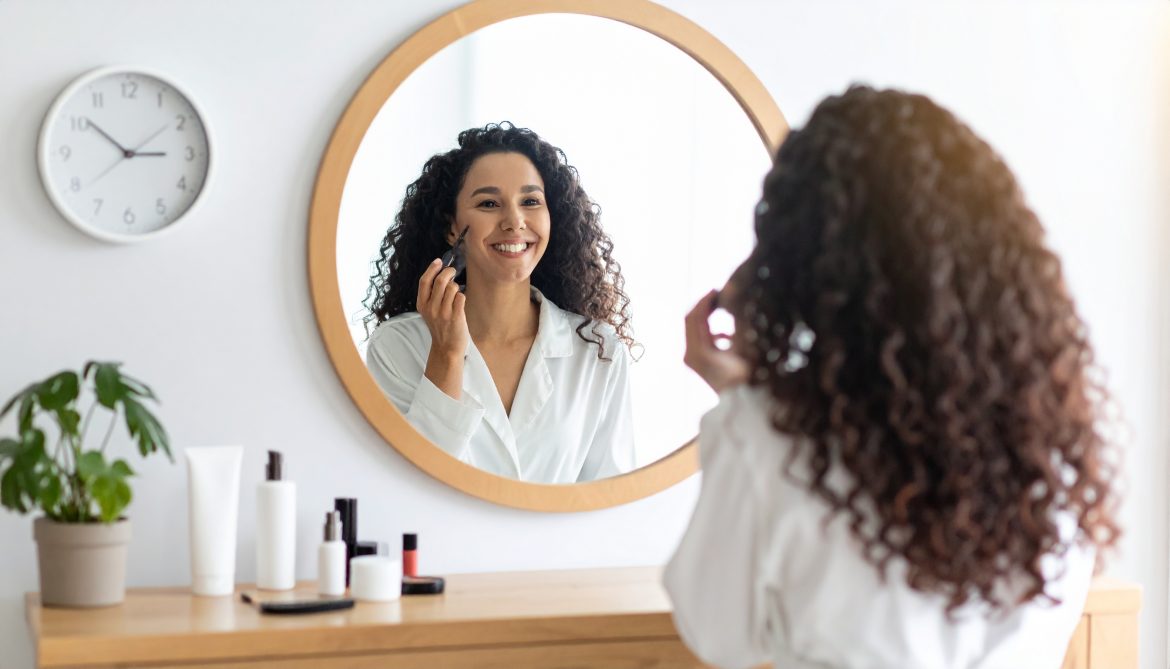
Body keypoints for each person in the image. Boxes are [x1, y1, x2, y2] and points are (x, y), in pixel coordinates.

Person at [664, 86, 1119, 668]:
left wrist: (742, 407)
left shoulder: (763, 436)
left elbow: (719, 634)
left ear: (809, 264)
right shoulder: (1044, 447)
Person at [364, 123, 636, 483]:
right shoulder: (398, 345)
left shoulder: (598, 350)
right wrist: (446, 355)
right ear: (452, 226)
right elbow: (403, 487)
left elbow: (609, 497)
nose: (514, 222)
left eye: (530, 201)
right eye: (489, 204)